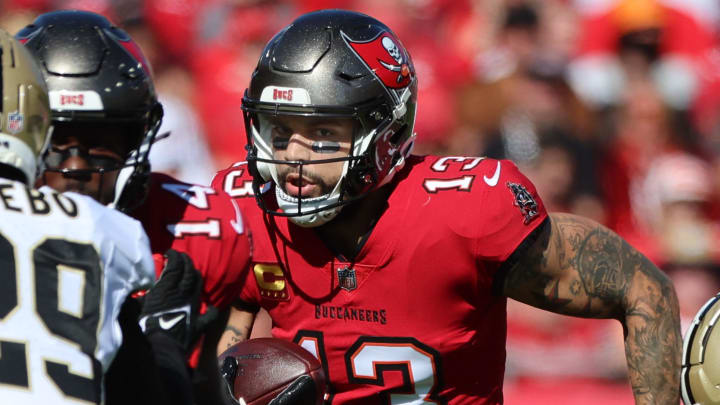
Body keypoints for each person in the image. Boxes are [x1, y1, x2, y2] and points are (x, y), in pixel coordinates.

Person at [211, 9, 682, 404]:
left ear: (387, 136)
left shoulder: (466, 214)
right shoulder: (245, 212)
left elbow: (643, 290)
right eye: (279, 131)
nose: (292, 156)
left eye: (323, 135)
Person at [17, 10, 251, 405]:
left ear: (138, 138)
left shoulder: (201, 229)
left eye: (99, 138)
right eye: (54, 139)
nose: (75, 168)